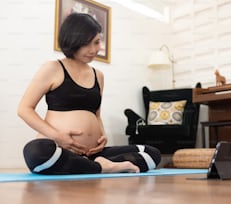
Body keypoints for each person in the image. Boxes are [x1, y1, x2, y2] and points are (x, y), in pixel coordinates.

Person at [17, 13, 161, 175]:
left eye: (97, 42)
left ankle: (90, 165)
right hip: (58, 148)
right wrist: (57, 136)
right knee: (36, 153)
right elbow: (24, 109)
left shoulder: (98, 75)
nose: (95, 49)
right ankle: (104, 167)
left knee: (152, 153)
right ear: (73, 42)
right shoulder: (52, 68)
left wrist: (103, 134)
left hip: (92, 153)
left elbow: (96, 114)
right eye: (87, 44)